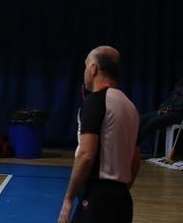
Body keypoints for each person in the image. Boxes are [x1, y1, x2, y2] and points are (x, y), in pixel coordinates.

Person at [57, 46, 140, 223]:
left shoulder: (94, 102)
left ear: (94, 68)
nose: (85, 72)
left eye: (86, 66)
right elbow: (135, 160)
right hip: (123, 201)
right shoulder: (130, 107)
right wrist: (118, 193)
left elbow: (86, 155)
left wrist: (68, 199)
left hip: (98, 199)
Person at [137, 78, 183, 153]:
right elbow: (170, 98)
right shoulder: (180, 83)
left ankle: (136, 144)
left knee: (153, 122)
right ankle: (130, 141)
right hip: (169, 110)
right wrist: (163, 107)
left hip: (179, 114)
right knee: (142, 119)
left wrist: (169, 108)